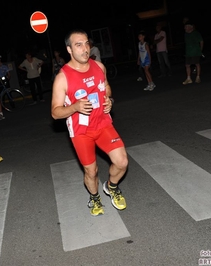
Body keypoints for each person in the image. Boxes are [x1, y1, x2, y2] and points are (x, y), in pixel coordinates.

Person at [51, 29, 128, 216]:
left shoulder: (99, 67)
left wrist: (109, 99)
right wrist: (75, 107)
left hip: (103, 124)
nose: (85, 49)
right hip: (81, 132)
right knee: (91, 171)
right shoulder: (63, 77)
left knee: (122, 162)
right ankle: (94, 198)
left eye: (86, 43)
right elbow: (55, 112)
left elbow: (107, 87)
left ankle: (111, 186)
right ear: (69, 49)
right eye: (78, 45)